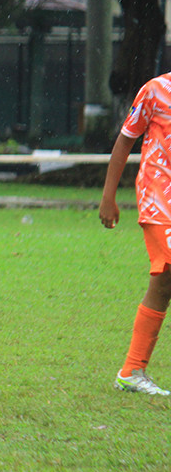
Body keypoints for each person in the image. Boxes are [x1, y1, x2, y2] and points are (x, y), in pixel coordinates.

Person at [99, 72, 171, 397]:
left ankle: (132, 371)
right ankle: (132, 370)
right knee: (168, 269)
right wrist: (108, 197)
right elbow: (126, 139)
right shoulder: (155, 90)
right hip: (158, 196)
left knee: (165, 281)